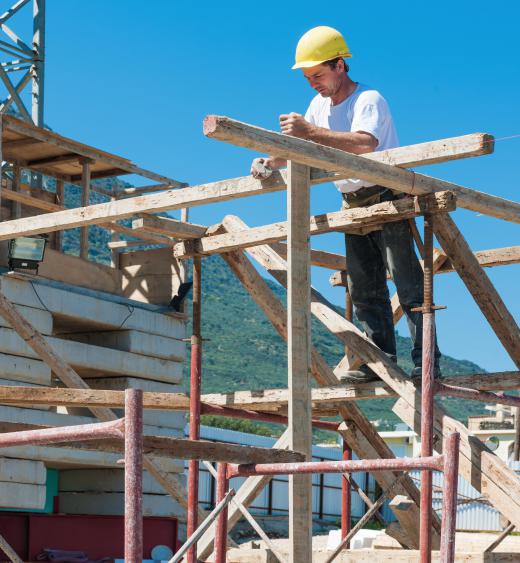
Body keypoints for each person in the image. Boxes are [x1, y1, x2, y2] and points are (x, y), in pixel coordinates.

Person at [250, 25, 441, 382]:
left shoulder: (369, 99)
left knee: (409, 285)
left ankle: (426, 363)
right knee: (364, 287)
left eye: (318, 75)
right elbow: (302, 147)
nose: (313, 84)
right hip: (352, 202)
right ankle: (378, 363)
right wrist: (268, 161)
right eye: (308, 78)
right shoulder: (317, 106)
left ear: (340, 65)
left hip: (388, 196)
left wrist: (309, 132)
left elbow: (364, 143)